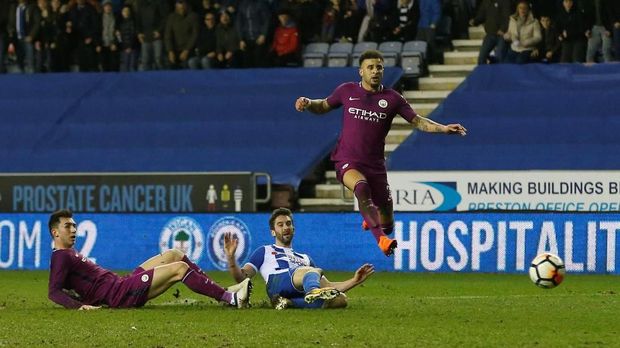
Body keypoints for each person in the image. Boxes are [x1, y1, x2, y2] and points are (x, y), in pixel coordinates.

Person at [294, 50, 466, 257]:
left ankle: (375, 222)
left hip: (375, 165)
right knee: (361, 187)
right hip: (347, 160)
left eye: (379, 67)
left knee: (388, 222)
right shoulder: (346, 90)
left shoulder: (393, 99)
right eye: (370, 67)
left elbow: (418, 121)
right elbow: (322, 106)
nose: (375, 71)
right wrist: (308, 103)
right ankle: (381, 240)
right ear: (361, 71)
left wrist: (443, 128)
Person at [48, 209, 251, 310]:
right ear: (55, 232)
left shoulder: (68, 254)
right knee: (179, 268)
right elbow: (53, 291)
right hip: (117, 295)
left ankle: (223, 291)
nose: (74, 230)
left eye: (74, 225)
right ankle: (232, 299)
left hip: (120, 284)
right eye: (68, 226)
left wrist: (79, 296)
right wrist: (80, 306)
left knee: (173, 254)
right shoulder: (60, 257)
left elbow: (68, 287)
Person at [224, 208, 375, 310]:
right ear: (273, 232)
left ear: (294, 228)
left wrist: (355, 280)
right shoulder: (265, 250)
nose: (286, 227)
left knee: (340, 299)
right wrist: (231, 258)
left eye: (288, 224)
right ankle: (312, 292)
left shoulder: (305, 258)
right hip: (277, 282)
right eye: (280, 225)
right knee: (312, 273)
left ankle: (288, 303)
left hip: (298, 288)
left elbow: (327, 286)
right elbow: (241, 278)